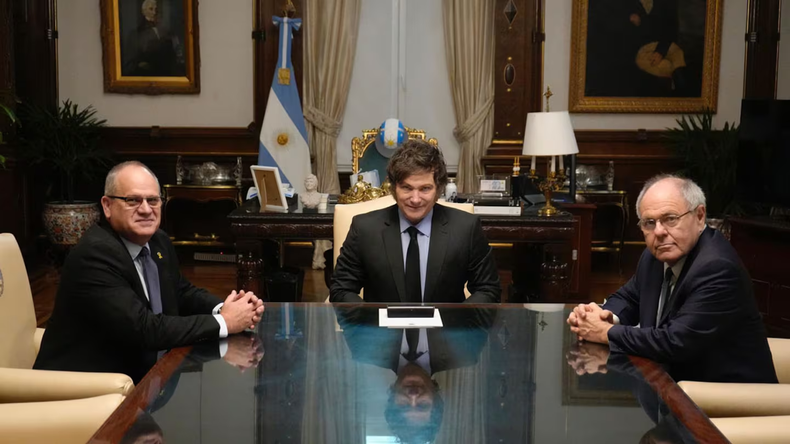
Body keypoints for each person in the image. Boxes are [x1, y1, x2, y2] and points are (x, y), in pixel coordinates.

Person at [34, 161, 264, 383]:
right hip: (84, 388)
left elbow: (181, 292)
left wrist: (226, 308)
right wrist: (225, 322)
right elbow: (144, 329)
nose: (146, 210)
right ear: (107, 206)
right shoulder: (95, 254)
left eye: (153, 200)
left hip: (144, 378)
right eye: (133, 200)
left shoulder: (158, 241)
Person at [567, 174, 777, 383]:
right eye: (649, 222)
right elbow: (629, 298)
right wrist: (603, 316)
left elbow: (675, 342)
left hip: (727, 395)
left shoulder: (717, 268)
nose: (659, 232)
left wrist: (605, 332)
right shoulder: (654, 256)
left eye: (670, 219)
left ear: (700, 216)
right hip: (669, 384)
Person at [329, 139, 500, 303]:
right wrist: (369, 319)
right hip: (380, 324)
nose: (415, 199)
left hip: (446, 323)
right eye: (407, 188)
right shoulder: (365, 229)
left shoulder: (466, 228)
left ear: (438, 189)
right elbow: (341, 289)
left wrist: (458, 319)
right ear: (394, 188)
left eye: (425, 189)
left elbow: (488, 290)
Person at [336, 306, 493, 444]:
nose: (413, 395)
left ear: (392, 399)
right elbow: (487, 293)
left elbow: (343, 293)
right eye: (423, 405)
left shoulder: (363, 348)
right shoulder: (465, 351)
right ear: (436, 399)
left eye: (404, 405)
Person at [122, 0, 185, 77]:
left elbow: (175, 55)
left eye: (156, 9)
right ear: (144, 12)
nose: (154, 12)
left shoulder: (167, 32)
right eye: (151, 9)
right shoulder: (135, 34)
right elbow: (130, 63)